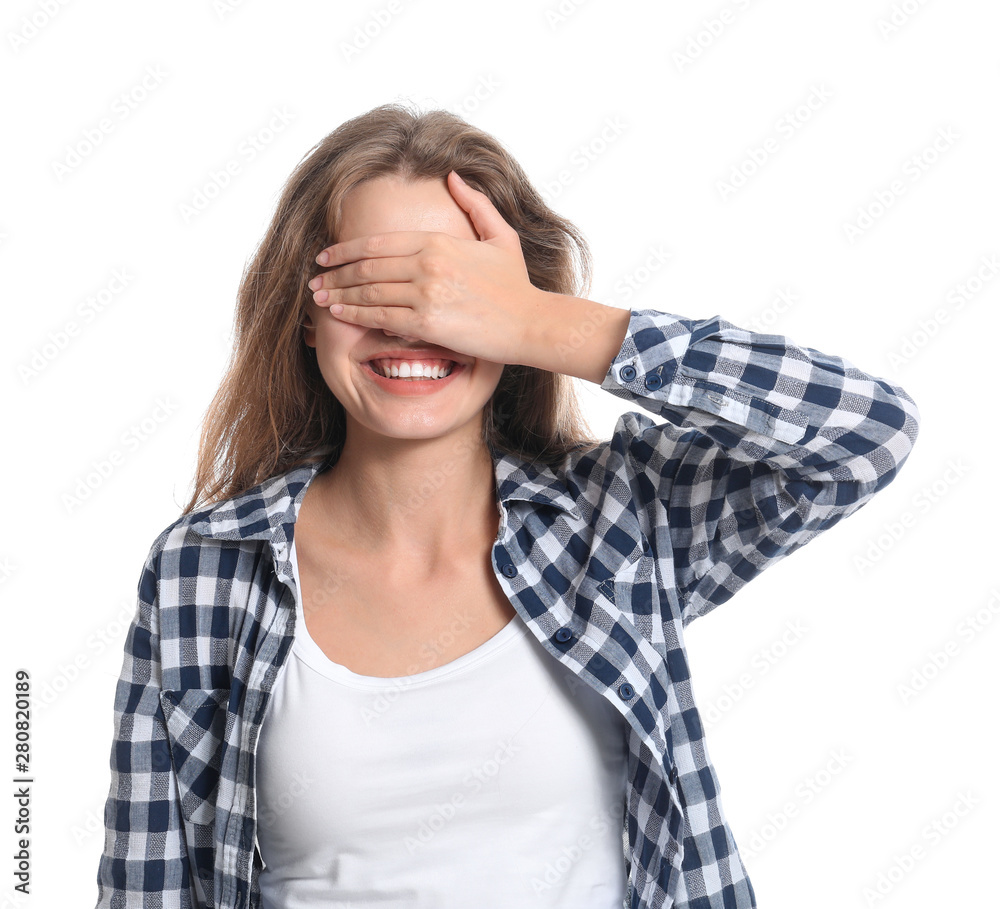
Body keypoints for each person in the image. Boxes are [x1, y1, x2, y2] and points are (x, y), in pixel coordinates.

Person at [94, 102, 920, 909]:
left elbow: (866, 433)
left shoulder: (620, 522)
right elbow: (146, 887)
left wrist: (540, 321)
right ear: (307, 317)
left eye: (450, 291)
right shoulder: (204, 570)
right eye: (370, 286)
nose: (411, 325)